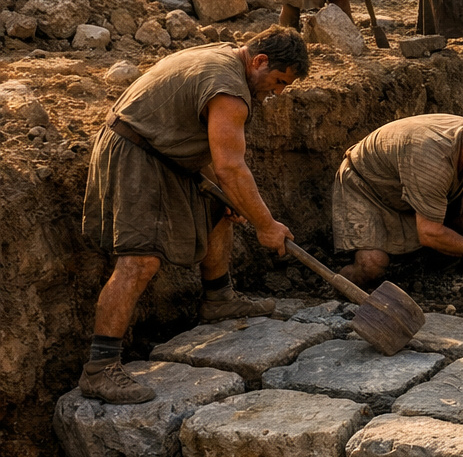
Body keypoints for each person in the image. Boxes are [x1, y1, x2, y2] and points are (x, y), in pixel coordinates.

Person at [80, 27, 310, 403]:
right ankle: (100, 367)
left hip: (163, 149)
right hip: (137, 153)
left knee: (222, 207)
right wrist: (266, 226)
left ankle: (218, 298)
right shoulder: (229, 91)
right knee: (140, 260)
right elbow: (231, 169)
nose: (278, 92)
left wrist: (238, 201)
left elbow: (226, 170)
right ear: (260, 61)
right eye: (278, 81)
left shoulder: (226, 58)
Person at [333, 115, 463, 285]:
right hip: (367, 187)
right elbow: (429, 233)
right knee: (372, 265)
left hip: (408, 183)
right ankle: (336, 284)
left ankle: (431, 258)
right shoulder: (432, 163)